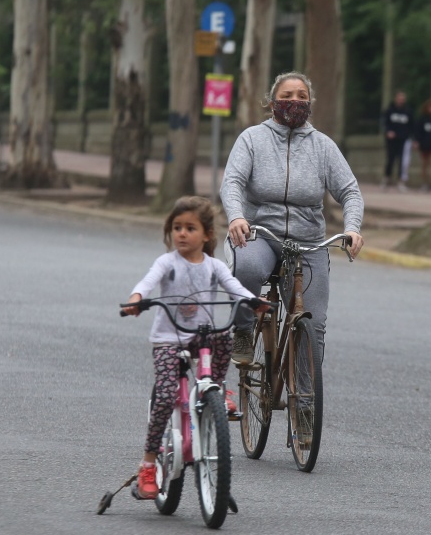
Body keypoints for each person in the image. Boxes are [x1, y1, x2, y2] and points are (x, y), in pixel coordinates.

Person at [121, 196, 269, 500]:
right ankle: (149, 465)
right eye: (177, 228)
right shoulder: (167, 263)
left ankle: (216, 386)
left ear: (206, 235)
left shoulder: (214, 266)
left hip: (200, 336)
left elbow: (235, 287)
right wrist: (137, 299)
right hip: (169, 340)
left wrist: (252, 301)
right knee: (164, 396)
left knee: (224, 335)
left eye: (190, 228)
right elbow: (147, 282)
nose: (182, 234)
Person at [221, 71, 365, 366]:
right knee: (246, 268)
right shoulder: (252, 139)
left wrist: (352, 228)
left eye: (302, 96)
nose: (294, 101)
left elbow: (351, 192)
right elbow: (232, 183)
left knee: (313, 325)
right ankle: (243, 329)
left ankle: (306, 402)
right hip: (260, 235)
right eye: (287, 96)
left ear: (310, 103)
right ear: (272, 101)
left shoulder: (322, 146)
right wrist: (236, 217)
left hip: (307, 243)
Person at [381, 90, 413, 192]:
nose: (401, 100)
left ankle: (401, 181)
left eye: (403, 99)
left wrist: (410, 136)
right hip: (391, 140)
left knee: (402, 161)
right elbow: (385, 123)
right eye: (399, 98)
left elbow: (411, 125)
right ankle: (386, 178)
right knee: (390, 158)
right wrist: (388, 132)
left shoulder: (407, 111)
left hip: (403, 139)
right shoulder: (390, 110)